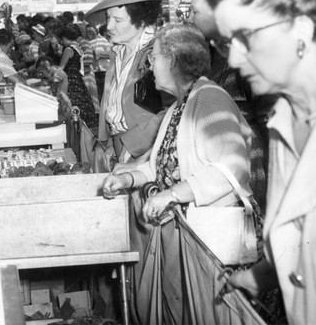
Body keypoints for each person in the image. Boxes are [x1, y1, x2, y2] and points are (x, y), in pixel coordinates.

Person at [207, 0, 316, 325]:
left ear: (302, 28)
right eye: (228, 43)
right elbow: (307, 240)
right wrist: (257, 277)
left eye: (246, 37)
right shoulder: (284, 123)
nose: (238, 60)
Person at [102, 23, 256, 324]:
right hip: (191, 237)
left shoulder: (210, 98)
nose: (149, 65)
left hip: (217, 241)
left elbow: (232, 166)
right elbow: (161, 164)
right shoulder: (180, 105)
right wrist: (127, 178)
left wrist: (172, 194)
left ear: (174, 60)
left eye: (154, 57)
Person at [185, 0, 276, 211]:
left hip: (254, 162)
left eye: (195, 11)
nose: (190, 18)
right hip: (229, 160)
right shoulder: (213, 52)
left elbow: (270, 116)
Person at [85, 0, 172, 170]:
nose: (108, 26)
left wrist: (131, 144)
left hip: (148, 149)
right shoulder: (117, 54)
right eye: (108, 18)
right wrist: (110, 143)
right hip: (120, 146)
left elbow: (175, 110)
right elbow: (113, 105)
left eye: (118, 20)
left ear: (140, 21)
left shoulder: (158, 54)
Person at [55, 25, 98, 128]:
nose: (61, 42)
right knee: (82, 102)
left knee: (70, 104)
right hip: (77, 79)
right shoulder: (78, 48)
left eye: (61, 39)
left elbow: (61, 67)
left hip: (69, 80)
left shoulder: (68, 49)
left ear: (65, 37)